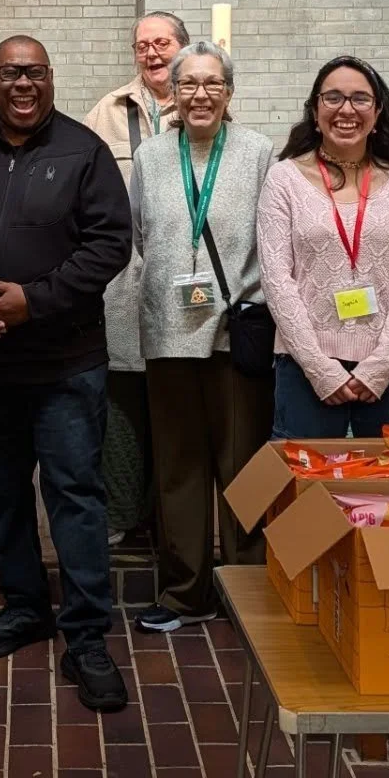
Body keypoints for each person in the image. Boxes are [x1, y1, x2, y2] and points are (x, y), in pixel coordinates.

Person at [0, 36, 133, 712]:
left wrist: (29, 304)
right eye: (10, 72)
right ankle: (24, 605)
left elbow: (109, 245)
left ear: (50, 77)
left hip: (65, 364)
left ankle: (87, 634)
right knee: (3, 492)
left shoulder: (83, 152)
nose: (22, 83)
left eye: (34, 72)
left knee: (74, 495)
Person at [130, 42, 274, 633]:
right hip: (168, 331)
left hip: (233, 332)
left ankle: (242, 591)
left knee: (241, 466)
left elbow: (272, 238)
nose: (200, 96)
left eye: (213, 84)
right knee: (178, 469)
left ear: (230, 92)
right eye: (188, 84)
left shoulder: (259, 153)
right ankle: (185, 592)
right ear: (173, 92)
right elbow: (143, 235)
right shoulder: (151, 157)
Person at [258, 55, 389, 438]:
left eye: (360, 99)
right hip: (304, 365)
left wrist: (381, 366)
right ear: (315, 109)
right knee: (304, 490)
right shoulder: (283, 180)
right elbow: (277, 281)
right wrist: (321, 369)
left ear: (378, 112)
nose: (346, 110)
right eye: (333, 98)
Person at [83, 11, 190, 546]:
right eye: (142, 45)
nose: (152, 53)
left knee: (173, 400)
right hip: (121, 283)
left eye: (163, 43)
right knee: (122, 401)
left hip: (185, 284)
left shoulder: (202, 104)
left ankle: (168, 518)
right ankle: (121, 514)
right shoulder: (108, 110)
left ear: (184, 47)